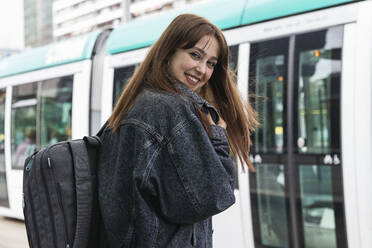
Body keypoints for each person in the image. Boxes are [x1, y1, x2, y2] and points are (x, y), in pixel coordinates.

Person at [98, 14, 258, 248]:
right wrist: (218, 138)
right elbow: (216, 194)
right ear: (169, 51)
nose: (202, 69)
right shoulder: (168, 109)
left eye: (211, 63)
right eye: (195, 55)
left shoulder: (141, 101)